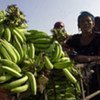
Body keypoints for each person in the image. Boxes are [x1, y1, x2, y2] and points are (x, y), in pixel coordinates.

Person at [66, 11, 100, 100]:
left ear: (93, 24)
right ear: (78, 25)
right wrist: (70, 53)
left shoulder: (98, 37)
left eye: (88, 21)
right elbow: (64, 47)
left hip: (97, 78)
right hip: (81, 80)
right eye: (82, 21)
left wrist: (84, 58)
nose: (85, 23)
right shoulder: (74, 39)